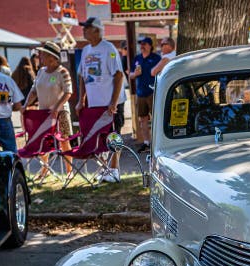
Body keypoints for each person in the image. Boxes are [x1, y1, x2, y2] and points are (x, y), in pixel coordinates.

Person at [76, 16, 126, 182]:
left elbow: (119, 75)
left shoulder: (108, 48)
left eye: (87, 27)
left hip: (111, 102)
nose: (84, 30)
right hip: (95, 103)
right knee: (100, 137)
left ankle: (115, 169)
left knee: (113, 135)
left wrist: (113, 101)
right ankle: (105, 169)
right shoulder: (85, 50)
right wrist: (81, 100)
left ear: (97, 30)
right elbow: (82, 76)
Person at [24, 41, 74, 175]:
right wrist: (25, 105)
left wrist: (57, 108)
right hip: (43, 113)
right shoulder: (40, 72)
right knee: (43, 141)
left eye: (43, 55)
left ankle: (69, 171)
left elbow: (68, 92)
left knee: (64, 141)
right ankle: (45, 169)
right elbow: (34, 91)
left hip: (61, 112)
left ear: (52, 57)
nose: (40, 57)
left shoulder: (62, 72)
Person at [129, 36, 160, 150]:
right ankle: (147, 143)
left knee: (156, 118)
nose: (142, 46)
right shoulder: (137, 58)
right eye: (141, 44)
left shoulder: (156, 58)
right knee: (143, 120)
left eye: (144, 44)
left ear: (150, 46)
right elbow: (130, 75)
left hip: (153, 92)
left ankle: (157, 143)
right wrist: (135, 74)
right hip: (140, 93)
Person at [0, 57, 23, 153]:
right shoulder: (6, 79)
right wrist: (6, 101)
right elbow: (17, 104)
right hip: (4, 119)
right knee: (11, 152)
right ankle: (13, 168)